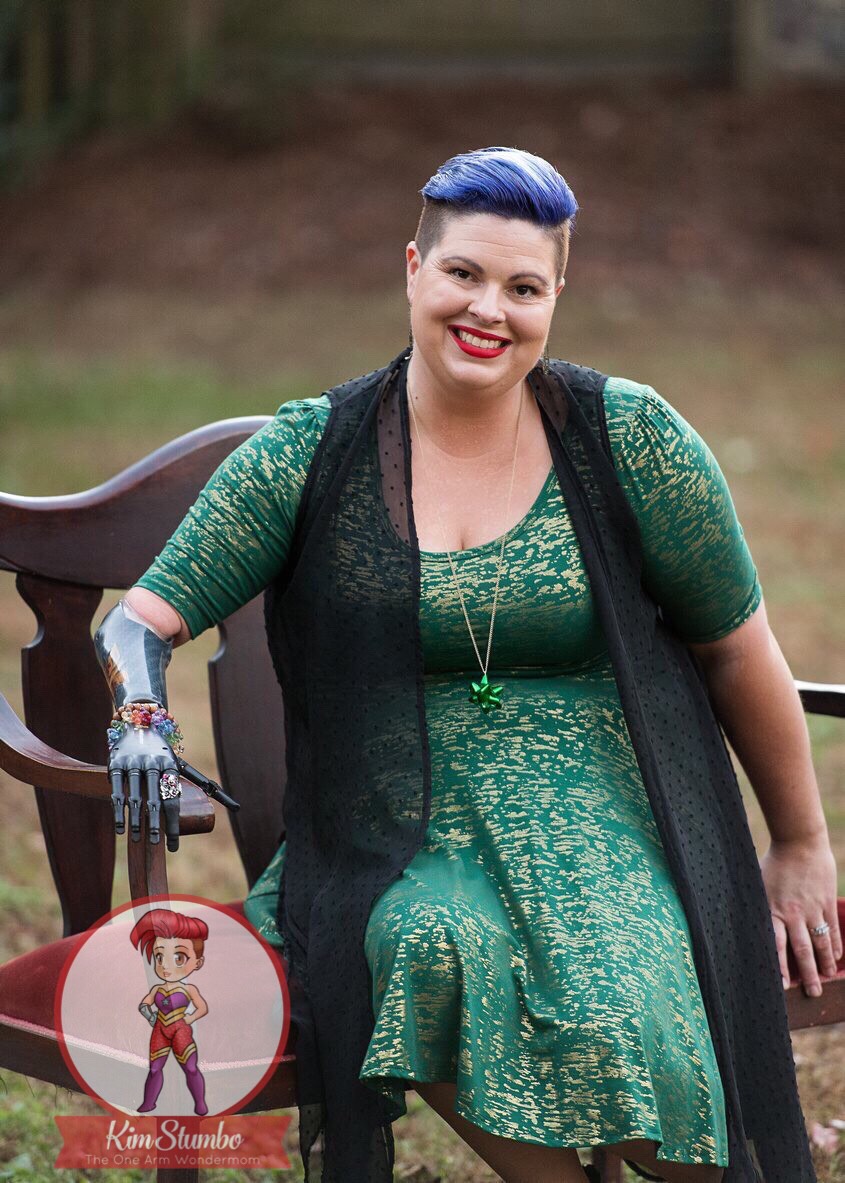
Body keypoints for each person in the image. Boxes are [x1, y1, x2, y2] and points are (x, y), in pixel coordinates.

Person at [93, 147, 839, 1183]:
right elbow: (138, 622)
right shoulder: (312, 451)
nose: (488, 308)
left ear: (554, 299)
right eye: (462, 274)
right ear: (411, 269)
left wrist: (799, 840)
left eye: (522, 287)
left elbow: (736, 643)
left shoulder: (629, 439)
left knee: (622, 1001)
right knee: (418, 941)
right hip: (389, 823)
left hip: (599, 812)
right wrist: (140, 716)